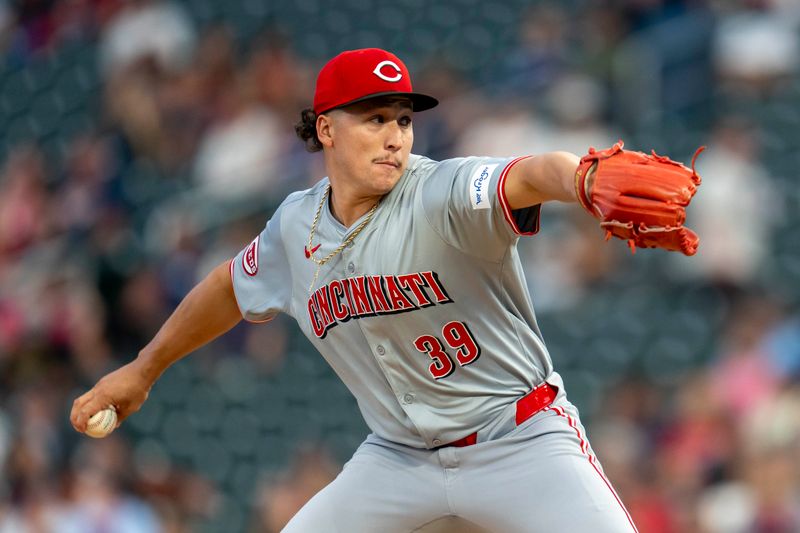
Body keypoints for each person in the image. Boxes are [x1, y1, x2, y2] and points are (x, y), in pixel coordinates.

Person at [70, 47, 699, 532]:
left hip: (520, 441)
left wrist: (583, 178)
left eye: (403, 119)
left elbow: (529, 174)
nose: (396, 134)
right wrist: (143, 370)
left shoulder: (440, 193)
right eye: (374, 119)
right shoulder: (296, 223)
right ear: (326, 130)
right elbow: (230, 288)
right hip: (398, 459)